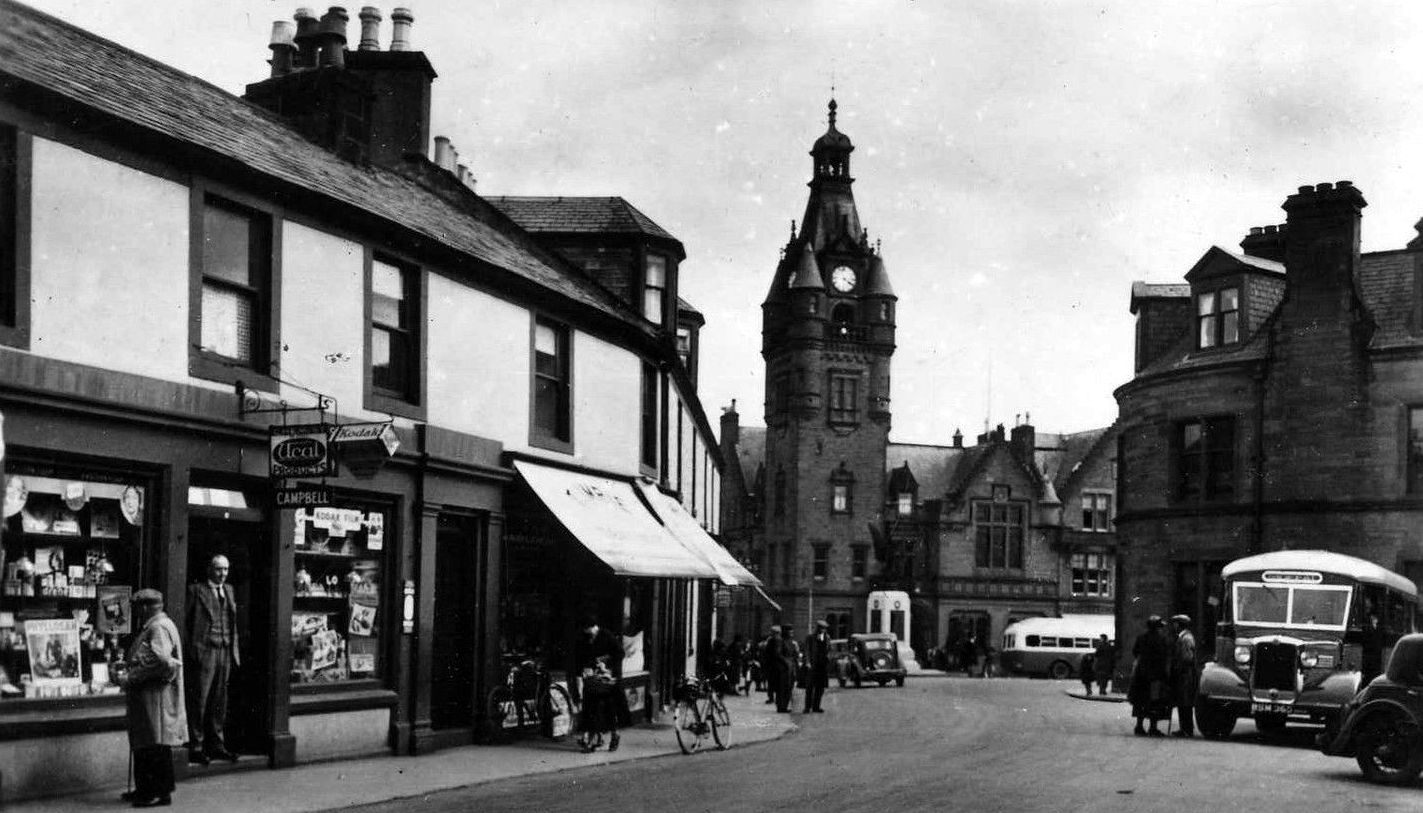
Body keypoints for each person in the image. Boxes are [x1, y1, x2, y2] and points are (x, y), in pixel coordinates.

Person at [120, 589, 187, 808]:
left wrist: (131, 677)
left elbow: (161, 662)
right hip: (150, 695)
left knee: (153, 743)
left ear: (147, 607)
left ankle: (156, 792)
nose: (137, 612)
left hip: (154, 696)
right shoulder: (161, 625)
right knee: (149, 742)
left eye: (139, 608)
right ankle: (147, 789)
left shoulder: (157, 627)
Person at [184, 554, 240, 765]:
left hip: (225, 650)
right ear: (209, 569)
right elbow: (184, 622)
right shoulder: (196, 590)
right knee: (200, 699)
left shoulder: (229, 590)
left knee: (220, 700)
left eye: (225, 569)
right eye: (218, 569)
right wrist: (193, 649)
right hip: (205, 650)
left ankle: (217, 745)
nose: (222, 574)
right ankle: (196, 746)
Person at [572, 615, 624, 752]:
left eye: (587, 629)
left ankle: (614, 735)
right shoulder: (586, 639)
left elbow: (620, 653)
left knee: (609, 710)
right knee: (591, 710)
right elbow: (583, 658)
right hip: (592, 680)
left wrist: (606, 664)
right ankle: (593, 741)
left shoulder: (606, 635)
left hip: (608, 680)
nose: (586, 632)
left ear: (592, 627)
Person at [1128, 615, 1170, 736]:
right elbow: (1164, 657)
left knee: (1140, 700)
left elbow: (1135, 652)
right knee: (1154, 701)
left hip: (1141, 674)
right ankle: (1153, 727)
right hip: (1156, 675)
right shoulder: (1162, 639)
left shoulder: (1141, 638)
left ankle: (1139, 726)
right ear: (1157, 627)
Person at [1168, 614, 1198, 737]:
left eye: (1175, 623)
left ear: (1180, 624)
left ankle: (1187, 729)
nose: (1174, 626)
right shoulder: (1183, 637)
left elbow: (1187, 657)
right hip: (1184, 673)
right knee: (1183, 702)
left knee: (1185, 702)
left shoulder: (1185, 638)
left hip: (1185, 674)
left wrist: (1177, 666)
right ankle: (1185, 728)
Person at [803, 620, 831, 713]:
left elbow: (828, 650)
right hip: (813, 665)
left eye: (824, 629)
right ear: (818, 628)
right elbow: (806, 650)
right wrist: (807, 662)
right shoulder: (810, 638)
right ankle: (807, 707)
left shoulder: (826, 638)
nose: (823, 630)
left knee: (820, 687)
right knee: (810, 687)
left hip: (822, 665)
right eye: (822, 628)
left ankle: (816, 706)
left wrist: (828, 658)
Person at [775, 625, 801, 713]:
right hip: (783, 668)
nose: (792, 633)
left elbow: (795, 655)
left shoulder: (792, 642)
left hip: (791, 667)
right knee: (782, 687)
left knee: (789, 687)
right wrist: (786, 661)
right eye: (790, 631)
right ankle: (781, 707)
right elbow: (778, 654)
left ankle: (785, 706)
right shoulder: (780, 641)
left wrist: (796, 653)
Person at [760, 626, 782, 706]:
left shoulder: (772, 640)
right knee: (774, 682)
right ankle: (774, 698)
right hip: (774, 664)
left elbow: (766, 651)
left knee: (772, 682)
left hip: (773, 664)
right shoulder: (775, 640)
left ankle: (772, 698)